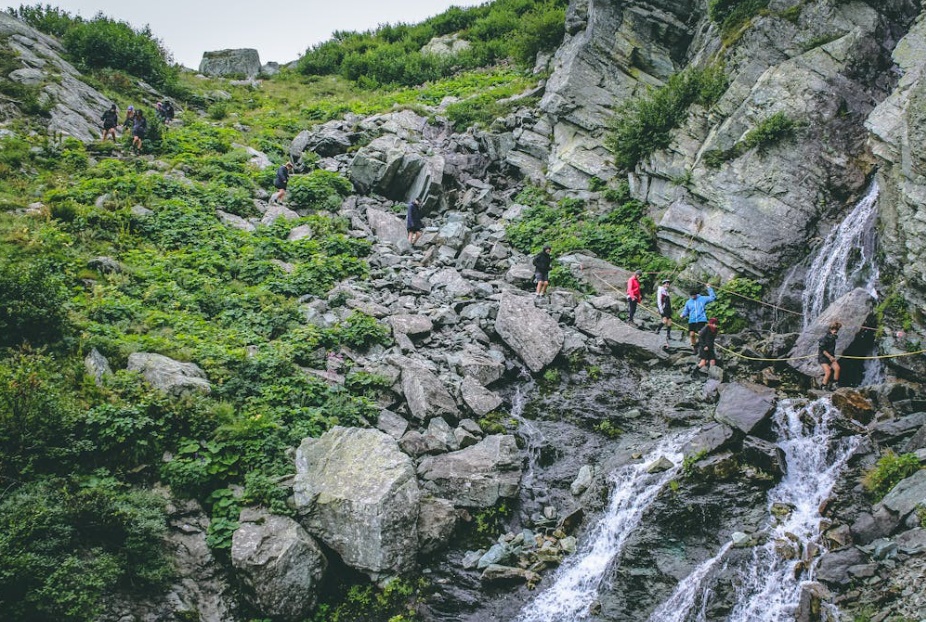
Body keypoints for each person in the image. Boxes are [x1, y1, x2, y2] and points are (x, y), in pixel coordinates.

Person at [680, 283, 716, 353]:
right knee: (692, 334)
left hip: (701, 319)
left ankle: (703, 347)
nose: (693, 297)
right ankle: (694, 347)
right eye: (691, 296)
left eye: (694, 295)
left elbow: (712, 297)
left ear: (696, 294)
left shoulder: (702, 299)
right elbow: (686, 310)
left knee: (701, 334)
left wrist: (709, 288)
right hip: (692, 320)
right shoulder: (688, 302)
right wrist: (682, 315)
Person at [818, 321, 841, 390]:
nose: (835, 331)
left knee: (837, 368)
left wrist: (832, 357)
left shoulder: (833, 338)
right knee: (828, 371)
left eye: (836, 330)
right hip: (823, 358)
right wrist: (830, 357)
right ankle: (823, 386)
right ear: (830, 330)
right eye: (834, 330)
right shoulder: (824, 339)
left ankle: (834, 384)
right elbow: (823, 350)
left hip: (831, 357)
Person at [655, 278, 673, 342]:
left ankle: (668, 334)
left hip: (668, 308)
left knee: (669, 321)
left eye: (668, 284)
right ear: (663, 284)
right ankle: (658, 329)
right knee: (665, 321)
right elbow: (659, 300)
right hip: (663, 308)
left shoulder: (666, 292)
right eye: (666, 283)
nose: (667, 285)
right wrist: (661, 309)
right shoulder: (660, 290)